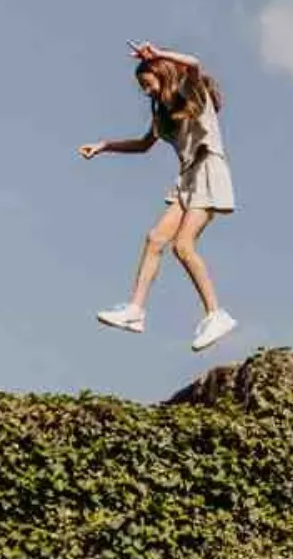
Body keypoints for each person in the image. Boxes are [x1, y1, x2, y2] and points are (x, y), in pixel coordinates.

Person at [79, 42, 237, 353]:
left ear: (162, 75)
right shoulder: (164, 113)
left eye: (148, 84)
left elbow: (193, 62)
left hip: (208, 169)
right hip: (188, 178)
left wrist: (160, 54)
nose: (146, 91)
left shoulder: (192, 93)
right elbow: (142, 144)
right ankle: (135, 312)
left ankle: (216, 314)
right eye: (142, 87)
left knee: (183, 245)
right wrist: (104, 145)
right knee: (154, 240)